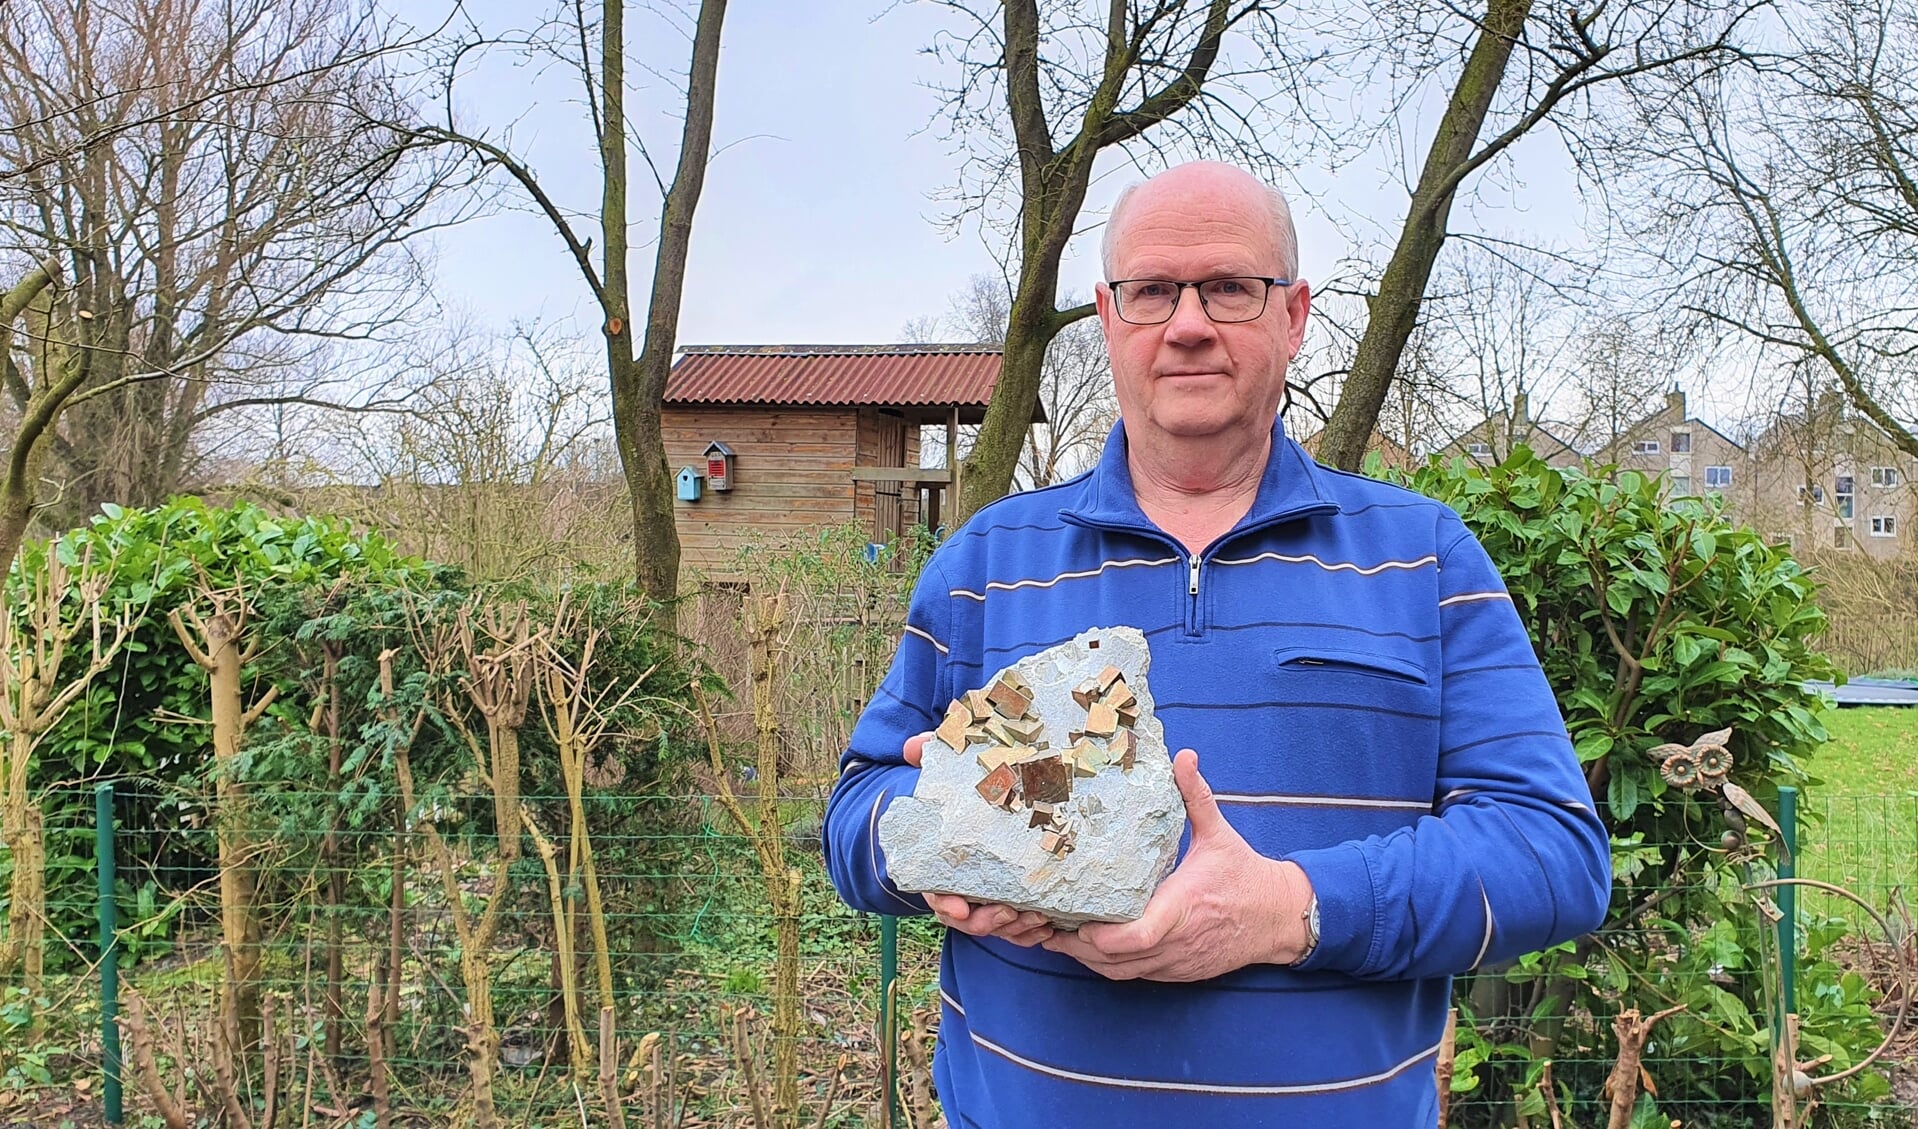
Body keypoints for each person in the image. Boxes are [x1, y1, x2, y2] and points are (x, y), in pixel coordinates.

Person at [822, 161, 1610, 1127]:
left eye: (1230, 287)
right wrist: (958, 835)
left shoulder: (1425, 559)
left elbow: (1554, 855)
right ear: (1109, 319)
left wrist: (1286, 910)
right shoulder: (985, 562)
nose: (1187, 323)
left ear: (1294, 316)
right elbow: (856, 818)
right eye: (1152, 290)